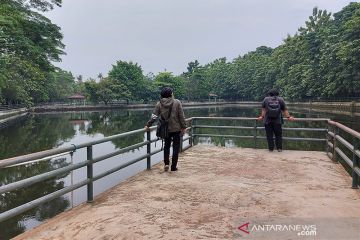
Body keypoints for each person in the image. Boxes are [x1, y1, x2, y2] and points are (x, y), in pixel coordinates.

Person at [145, 87, 186, 171]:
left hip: (165, 129)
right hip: (176, 129)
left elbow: (154, 116)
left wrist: (148, 125)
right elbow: (181, 116)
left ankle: (166, 163)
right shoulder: (177, 102)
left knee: (166, 146)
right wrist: (184, 127)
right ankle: (173, 167)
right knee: (175, 148)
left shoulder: (159, 104)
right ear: (171, 94)